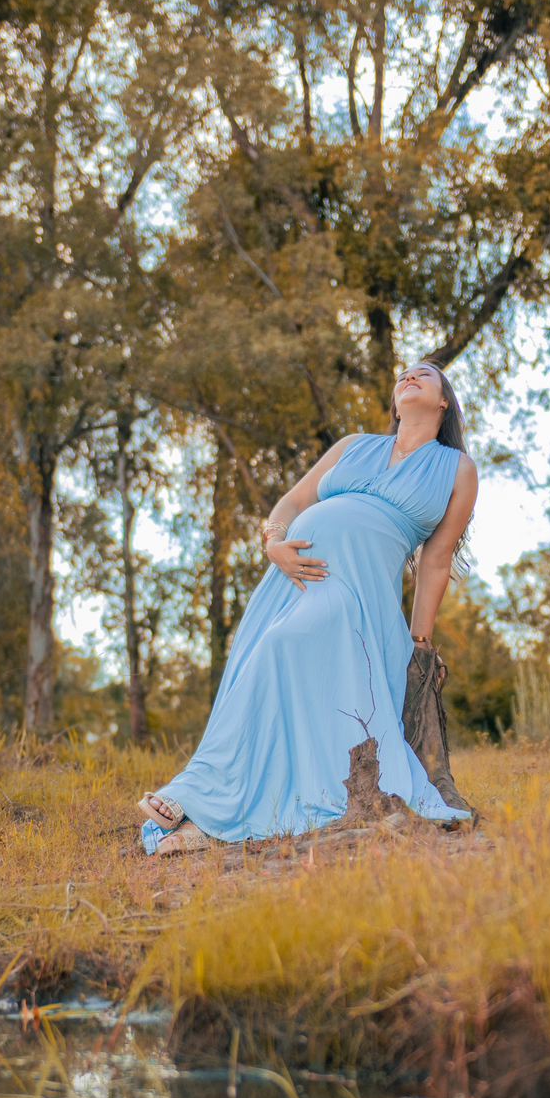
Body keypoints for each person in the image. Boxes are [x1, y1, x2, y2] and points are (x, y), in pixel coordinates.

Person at [137, 363, 478, 853]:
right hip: (293, 581)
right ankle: (206, 817)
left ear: (444, 400)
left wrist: (418, 644)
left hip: (359, 592)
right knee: (273, 682)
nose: (409, 376)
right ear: (394, 399)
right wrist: (273, 544)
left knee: (278, 647)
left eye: (423, 374)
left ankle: (197, 792)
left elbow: (436, 561)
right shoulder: (354, 446)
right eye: (402, 373)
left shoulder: (456, 468)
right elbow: (293, 501)